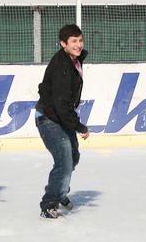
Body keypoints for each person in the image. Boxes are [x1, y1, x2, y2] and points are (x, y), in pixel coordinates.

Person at [35, 24, 91, 219]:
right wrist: (79, 126)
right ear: (63, 44)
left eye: (80, 40)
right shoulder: (62, 67)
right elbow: (60, 103)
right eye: (73, 42)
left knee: (73, 157)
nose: (78, 45)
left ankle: (56, 187)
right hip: (48, 119)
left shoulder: (74, 59)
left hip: (60, 117)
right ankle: (49, 204)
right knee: (64, 161)